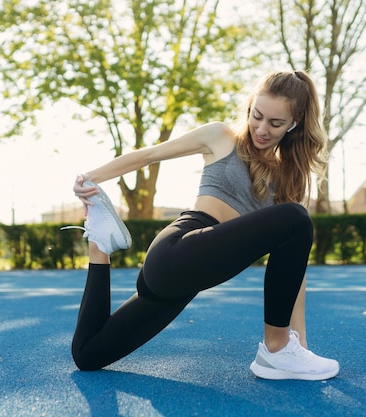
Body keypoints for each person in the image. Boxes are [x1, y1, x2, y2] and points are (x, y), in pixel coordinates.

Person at [66, 70, 340, 381]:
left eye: (275, 123)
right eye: (257, 116)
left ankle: (99, 245)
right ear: (250, 108)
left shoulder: (288, 179)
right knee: (297, 217)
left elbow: (294, 271)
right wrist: (89, 178)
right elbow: (150, 155)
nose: (261, 129)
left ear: (294, 124)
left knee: (88, 355)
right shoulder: (221, 138)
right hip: (179, 249)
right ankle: (275, 351)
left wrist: (299, 342)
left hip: (184, 280)